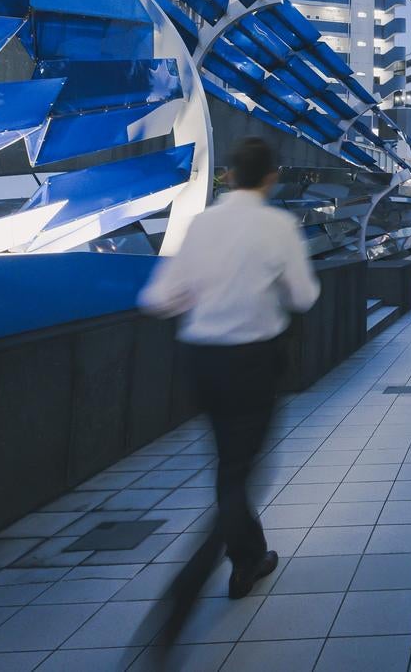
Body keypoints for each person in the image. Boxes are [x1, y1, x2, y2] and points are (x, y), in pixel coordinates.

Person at [138, 138, 320, 645]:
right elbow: (305, 295)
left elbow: (158, 297)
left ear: (229, 175)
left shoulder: (202, 223)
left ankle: (248, 560)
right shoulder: (277, 225)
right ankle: (184, 592)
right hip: (252, 363)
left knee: (229, 465)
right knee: (239, 476)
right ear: (270, 177)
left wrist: (206, 294)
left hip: (201, 361)